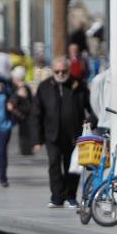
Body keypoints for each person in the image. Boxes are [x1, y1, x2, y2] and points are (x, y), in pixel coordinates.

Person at [34, 56, 93, 208]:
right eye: (57, 71)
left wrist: (91, 124)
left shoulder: (78, 85)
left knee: (72, 167)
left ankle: (71, 196)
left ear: (69, 70)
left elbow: (91, 108)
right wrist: (37, 139)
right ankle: (56, 197)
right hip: (52, 134)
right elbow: (36, 113)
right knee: (54, 165)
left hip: (73, 135)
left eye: (64, 71)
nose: (60, 74)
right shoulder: (44, 87)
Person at [9, 66, 35, 156]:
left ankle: (26, 150)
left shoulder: (22, 88)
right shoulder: (22, 87)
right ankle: (25, 149)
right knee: (24, 133)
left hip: (24, 116)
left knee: (24, 133)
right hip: (23, 116)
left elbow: (26, 103)